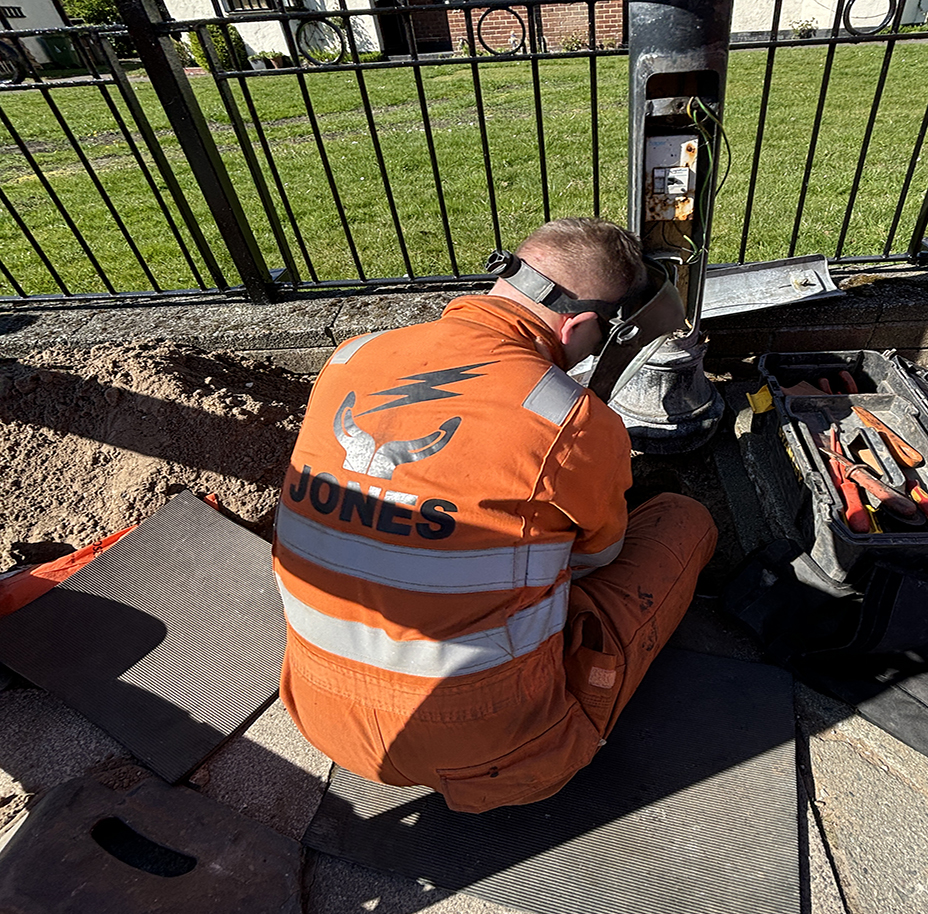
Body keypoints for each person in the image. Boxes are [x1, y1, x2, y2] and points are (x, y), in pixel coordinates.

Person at [272, 217, 717, 814]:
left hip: (319, 715)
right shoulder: (571, 417)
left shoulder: (352, 356)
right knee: (683, 521)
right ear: (581, 324)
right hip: (496, 755)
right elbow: (595, 560)